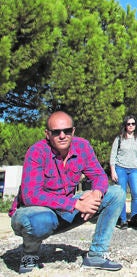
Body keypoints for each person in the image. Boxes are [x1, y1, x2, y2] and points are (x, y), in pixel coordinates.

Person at [10, 111, 125, 273]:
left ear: (73, 131)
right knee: (36, 220)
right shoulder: (37, 152)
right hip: (35, 213)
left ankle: (97, 255)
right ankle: (30, 254)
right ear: (48, 134)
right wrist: (76, 203)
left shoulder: (82, 146)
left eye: (67, 131)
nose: (62, 135)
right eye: (56, 132)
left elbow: (99, 175)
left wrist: (96, 193)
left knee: (116, 193)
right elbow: (31, 196)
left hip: (65, 211)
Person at [109, 115, 137, 229]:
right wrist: (113, 171)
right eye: (128, 124)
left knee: (136, 193)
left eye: (133, 124)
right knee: (122, 195)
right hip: (121, 169)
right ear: (125, 125)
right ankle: (123, 219)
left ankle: (135, 217)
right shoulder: (119, 138)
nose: (131, 126)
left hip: (134, 169)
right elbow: (113, 156)